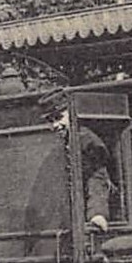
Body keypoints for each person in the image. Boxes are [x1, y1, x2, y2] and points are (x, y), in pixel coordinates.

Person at [38, 89, 116, 232]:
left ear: (71, 114)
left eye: (59, 117)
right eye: (51, 121)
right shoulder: (64, 140)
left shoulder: (86, 140)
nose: (55, 125)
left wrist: (97, 213)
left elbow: (98, 177)